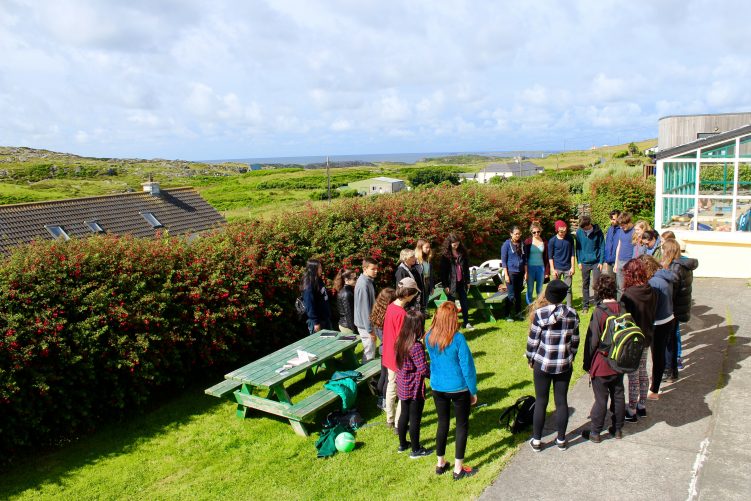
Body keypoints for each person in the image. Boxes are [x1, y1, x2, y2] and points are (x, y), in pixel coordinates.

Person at [425, 301, 478, 480]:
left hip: (437, 387)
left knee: (443, 423)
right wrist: (473, 390)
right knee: (461, 425)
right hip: (458, 388)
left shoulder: (429, 336)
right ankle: (458, 469)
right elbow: (467, 366)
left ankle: (440, 463)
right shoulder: (458, 338)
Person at [526, 280, 580, 451]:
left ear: (547, 295)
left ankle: (536, 440)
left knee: (541, 401)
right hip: (564, 364)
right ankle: (561, 440)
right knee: (561, 401)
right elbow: (575, 340)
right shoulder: (573, 314)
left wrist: (530, 359)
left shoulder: (540, 314)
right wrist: (571, 356)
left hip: (542, 363)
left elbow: (533, 341)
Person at [581, 275, 625, 442]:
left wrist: (587, 364)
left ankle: (595, 432)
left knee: (601, 399)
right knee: (618, 395)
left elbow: (592, 342)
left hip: (602, 363)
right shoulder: (623, 308)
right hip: (619, 361)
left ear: (599, 291)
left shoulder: (599, 312)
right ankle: (618, 429)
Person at [620, 258, 657, 422]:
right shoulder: (651, 290)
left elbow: (624, 320)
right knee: (643, 371)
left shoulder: (628, 295)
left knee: (633, 375)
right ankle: (642, 406)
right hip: (647, 336)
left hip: (633, 340)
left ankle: (632, 409)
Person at [382, 277, 421, 431]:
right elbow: (403, 339)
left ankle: (390, 419)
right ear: (408, 294)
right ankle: (400, 423)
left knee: (391, 385)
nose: (415, 296)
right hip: (398, 357)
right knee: (403, 392)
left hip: (388, 354)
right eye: (414, 293)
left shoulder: (391, 306)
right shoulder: (401, 314)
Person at [641, 254, 678, 400]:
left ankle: (654, 390)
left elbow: (651, 307)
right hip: (669, 318)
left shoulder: (653, 283)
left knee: (657, 356)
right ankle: (657, 382)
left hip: (659, 323)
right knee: (661, 353)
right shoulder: (665, 276)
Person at [395, 310, 432, 458]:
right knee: (415, 418)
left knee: (404, 414)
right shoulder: (416, 346)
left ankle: (403, 444)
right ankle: (416, 450)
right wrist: (436, 376)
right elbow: (423, 369)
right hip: (414, 388)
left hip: (403, 385)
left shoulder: (400, 340)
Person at [663, 239, 699, 381]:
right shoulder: (684, 265)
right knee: (671, 339)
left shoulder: (675, 267)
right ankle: (672, 371)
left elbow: (672, 291)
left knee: (668, 342)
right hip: (680, 307)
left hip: (673, 309)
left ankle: (669, 370)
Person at [370, 288, 397, 410]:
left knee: (383, 374)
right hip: (389, 350)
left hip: (382, 349)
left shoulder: (377, 312)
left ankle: (380, 398)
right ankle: (385, 400)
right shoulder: (388, 316)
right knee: (388, 379)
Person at [439, 233, 472, 330]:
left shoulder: (463, 252)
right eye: (454, 243)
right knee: (451, 305)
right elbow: (443, 272)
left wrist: (468, 281)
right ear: (449, 243)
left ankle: (466, 322)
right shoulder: (445, 255)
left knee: (464, 302)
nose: (456, 245)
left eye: (457, 243)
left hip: (462, 282)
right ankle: (452, 324)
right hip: (451, 283)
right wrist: (445, 285)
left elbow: (466, 268)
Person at [575, 215, 604, 314]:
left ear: (589, 224)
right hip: (584, 263)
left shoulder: (598, 231)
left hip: (596, 262)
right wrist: (579, 261)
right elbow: (578, 248)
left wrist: (601, 261)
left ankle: (597, 304)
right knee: (585, 284)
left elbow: (602, 246)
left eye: (584, 227)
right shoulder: (579, 232)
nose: (582, 229)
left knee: (597, 284)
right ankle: (585, 305)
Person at [354, 257, 379, 363]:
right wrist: (370, 330)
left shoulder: (368, 281)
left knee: (371, 350)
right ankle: (367, 372)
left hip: (368, 323)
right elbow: (364, 310)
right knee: (369, 353)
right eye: (373, 269)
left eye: (377, 269)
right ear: (365, 269)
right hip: (365, 326)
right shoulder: (363, 285)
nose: (376, 271)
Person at [547, 220, 576, 308]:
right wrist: (552, 269)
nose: (563, 233)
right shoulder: (552, 241)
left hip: (568, 268)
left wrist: (572, 267)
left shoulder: (570, 239)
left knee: (568, 289)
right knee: (555, 289)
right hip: (557, 269)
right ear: (557, 230)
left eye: (565, 231)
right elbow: (550, 257)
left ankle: (569, 307)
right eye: (561, 232)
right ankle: (554, 306)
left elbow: (572, 254)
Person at [501, 226, 526, 321]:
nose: (518, 235)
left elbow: (525, 259)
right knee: (511, 295)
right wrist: (506, 275)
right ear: (511, 234)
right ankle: (507, 314)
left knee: (518, 294)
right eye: (516, 234)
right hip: (511, 273)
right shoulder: (506, 245)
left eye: (519, 234)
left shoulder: (522, 244)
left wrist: (526, 273)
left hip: (520, 272)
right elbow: (504, 261)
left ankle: (518, 313)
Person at [301, 259, 331, 334]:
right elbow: (309, 304)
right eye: (319, 268)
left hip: (325, 319)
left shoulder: (318, 280)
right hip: (317, 322)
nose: (321, 269)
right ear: (313, 269)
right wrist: (315, 322)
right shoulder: (309, 284)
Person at [524, 222, 549, 305]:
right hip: (530, 268)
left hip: (541, 268)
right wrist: (525, 271)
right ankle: (530, 306)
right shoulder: (527, 242)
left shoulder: (544, 242)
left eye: (538, 232)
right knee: (530, 289)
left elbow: (547, 258)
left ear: (540, 231)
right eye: (534, 232)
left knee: (539, 289)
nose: (536, 234)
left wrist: (547, 272)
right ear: (531, 232)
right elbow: (524, 257)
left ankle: (539, 306)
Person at [614, 212, 635, 299]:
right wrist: (616, 263)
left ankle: (629, 304)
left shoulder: (635, 231)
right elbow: (619, 245)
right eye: (620, 225)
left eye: (623, 225)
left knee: (629, 288)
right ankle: (620, 305)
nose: (622, 227)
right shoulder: (621, 231)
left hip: (630, 262)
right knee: (620, 288)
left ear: (629, 222)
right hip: (620, 261)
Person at [333, 268, 358, 334]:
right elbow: (349, 314)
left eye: (356, 278)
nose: (356, 280)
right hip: (347, 327)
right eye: (354, 279)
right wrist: (355, 331)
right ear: (346, 280)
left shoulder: (347, 291)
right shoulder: (347, 293)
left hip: (346, 325)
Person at [415, 239, 433, 312]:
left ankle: (424, 314)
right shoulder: (415, 260)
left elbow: (430, 274)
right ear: (420, 248)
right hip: (420, 285)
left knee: (425, 304)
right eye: (426, 247)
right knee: (419, 304)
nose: (428, 249)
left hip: (427, 283)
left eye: (429, 247)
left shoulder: (428, 258)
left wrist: (431, 286)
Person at [603, 209, 621, 278]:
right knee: (611, 282)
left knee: (619, 283)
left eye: (613, 219)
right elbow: (607, 245)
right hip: (609, 261)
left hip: (619, 262)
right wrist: (605, 260)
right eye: (611, 219)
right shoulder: (610, 229)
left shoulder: (622, 230)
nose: (611, 221)